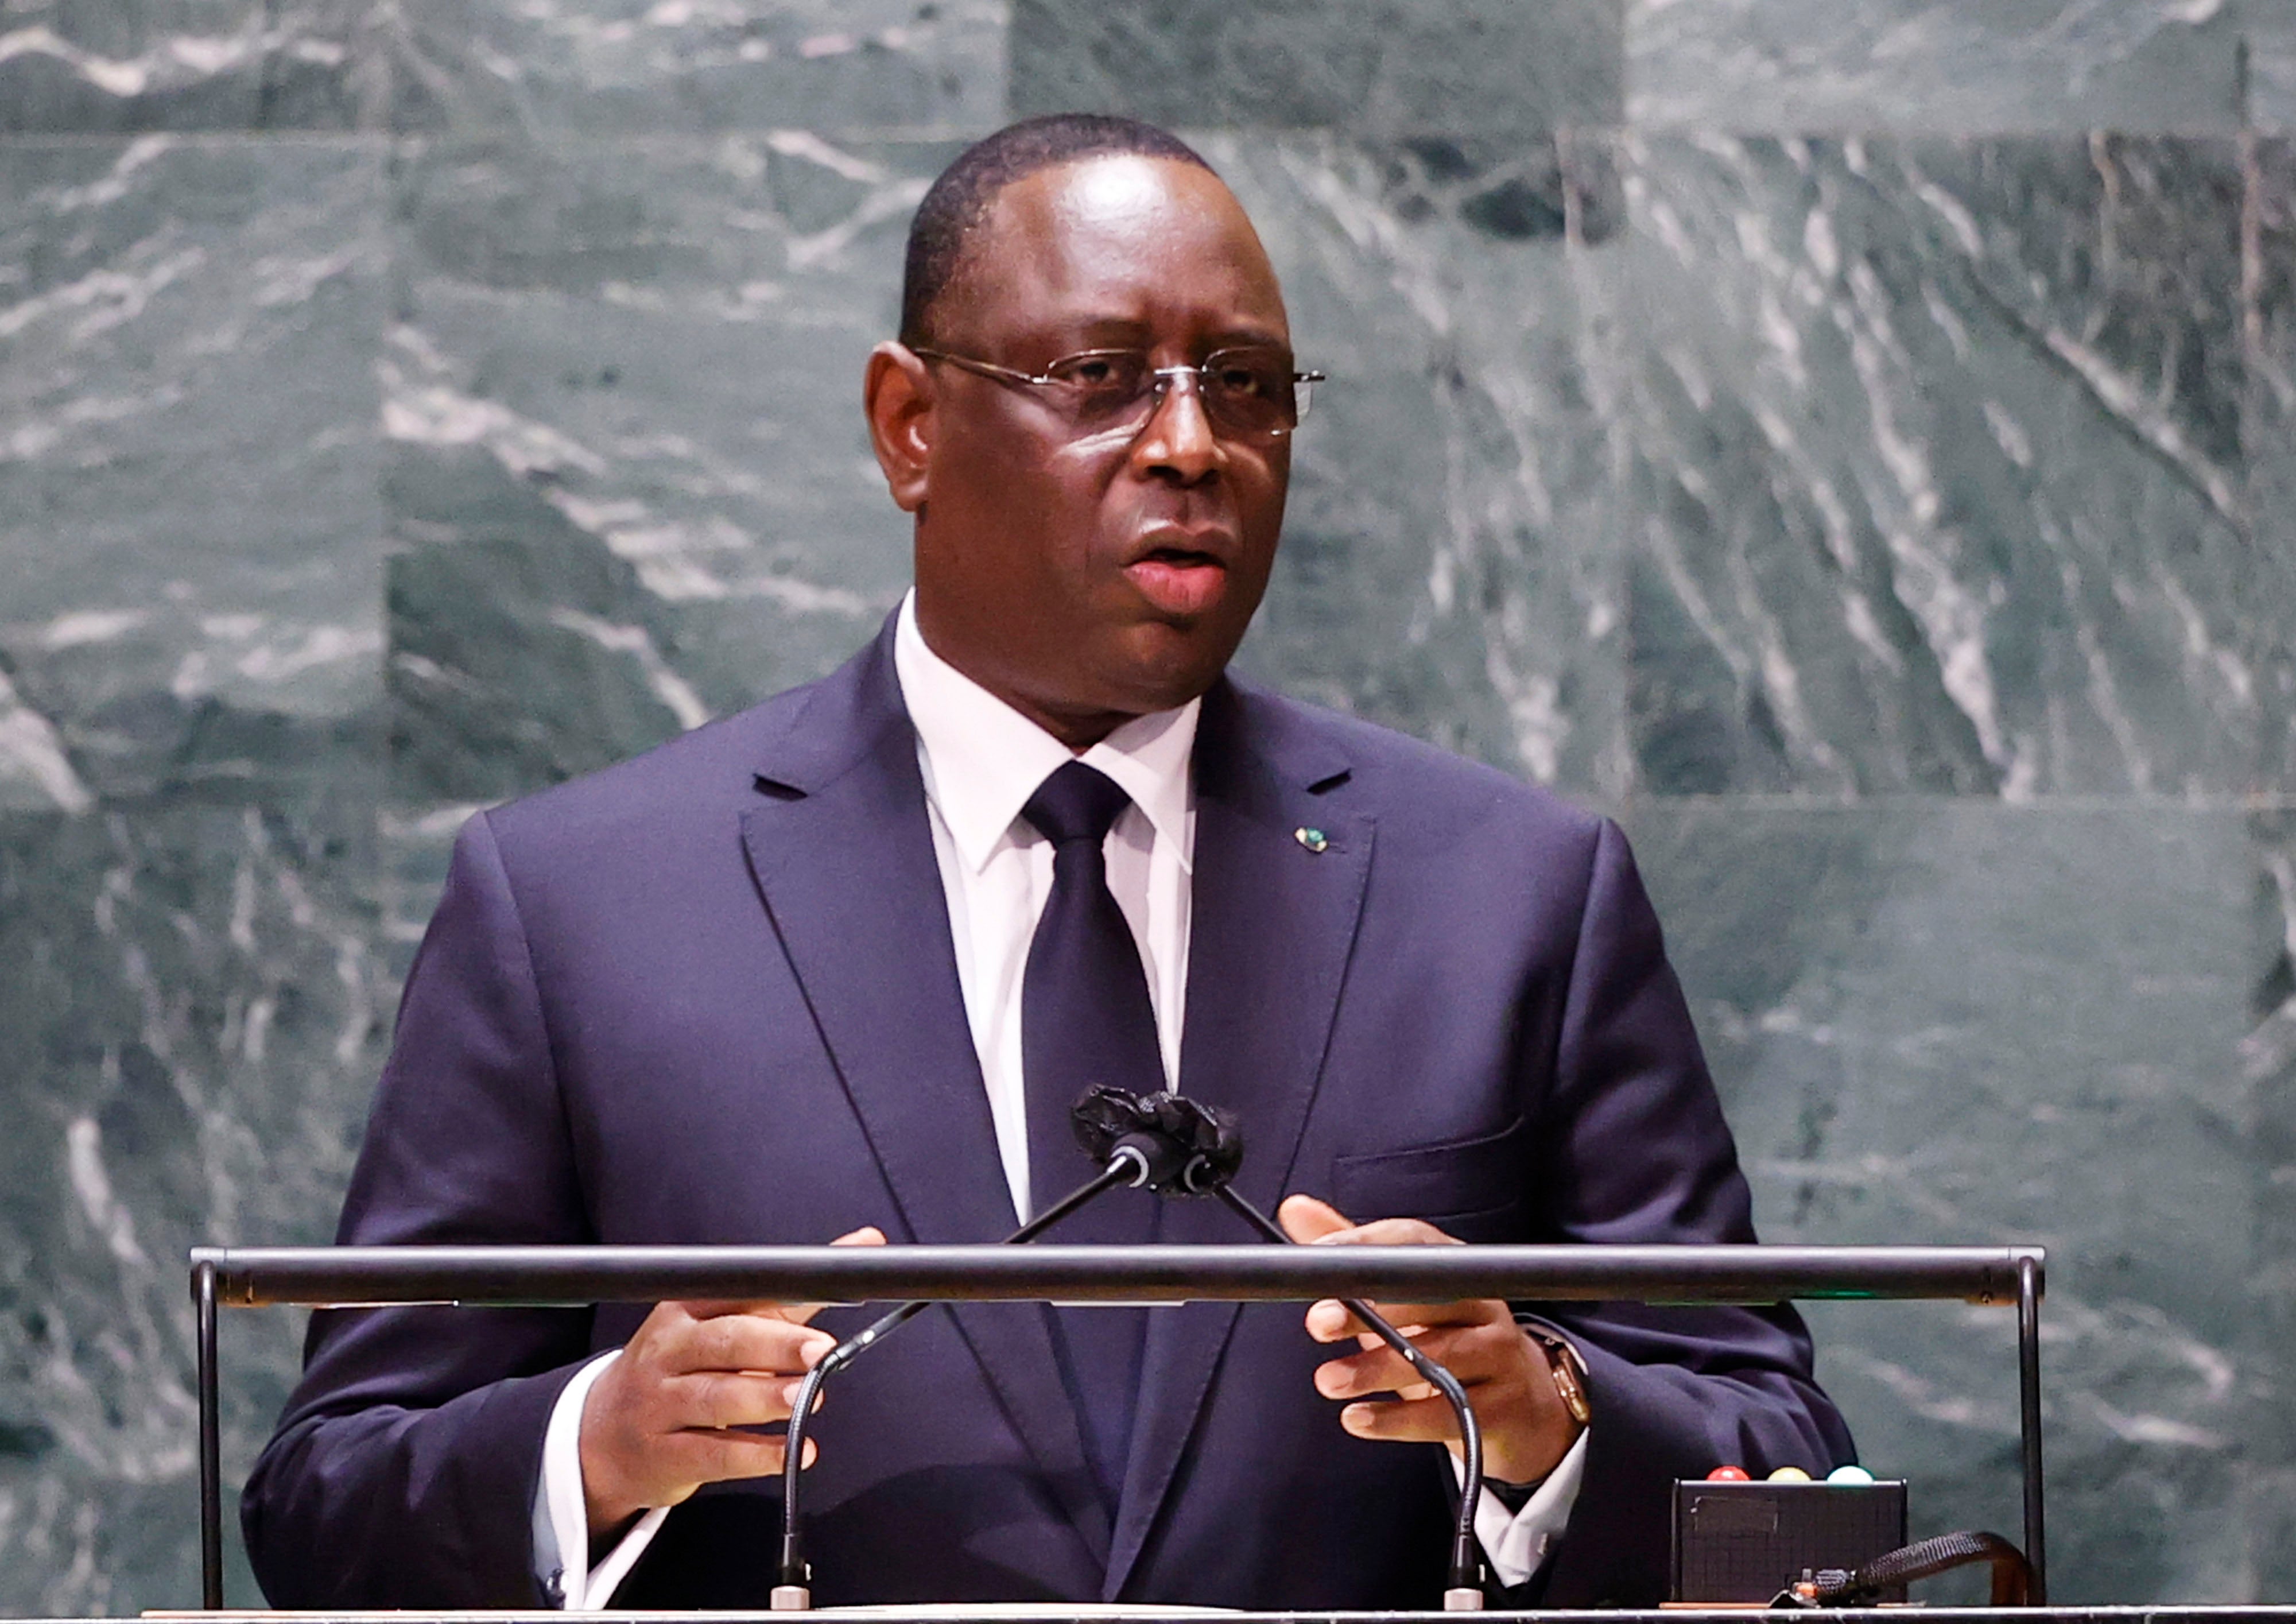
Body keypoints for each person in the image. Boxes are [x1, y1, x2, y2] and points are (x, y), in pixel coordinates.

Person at [243, 114, 1851, 1611]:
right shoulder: (580, 901)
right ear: (911, 425)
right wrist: (599, 1445)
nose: (1192, 443)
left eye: (1246, 383)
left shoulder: (1512, 890)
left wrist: (1544, 1413)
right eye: (1102, 375)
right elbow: (327, 1496)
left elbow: (1784, 1461)